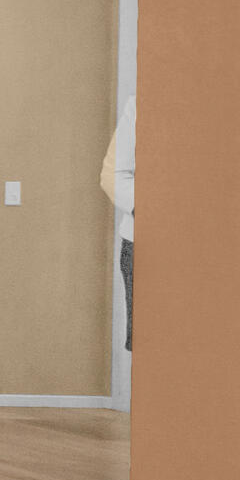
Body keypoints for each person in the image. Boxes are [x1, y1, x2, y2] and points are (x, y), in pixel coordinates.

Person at [100, 95, 135, 352]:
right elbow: (113, 175)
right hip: (143, 244)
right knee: (147, 339)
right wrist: (160, 213)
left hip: (207, 241)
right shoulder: (139, 105)